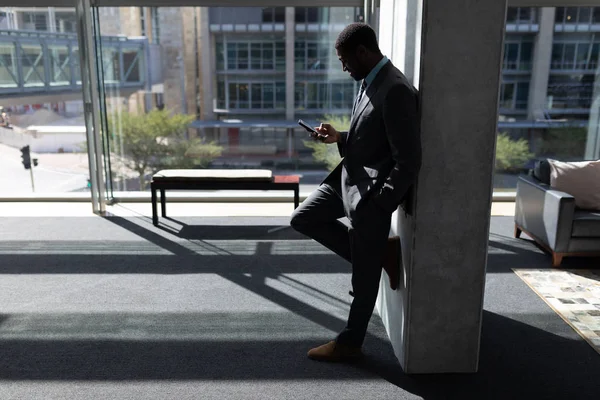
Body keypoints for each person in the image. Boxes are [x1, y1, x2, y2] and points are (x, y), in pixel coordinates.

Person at [290, 23, 422, 362]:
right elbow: (372, 135)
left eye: (344, 60)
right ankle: (381, 253)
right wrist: (340, 138)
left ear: (362, 52)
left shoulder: (395, 89)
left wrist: (381, 204)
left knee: (363, 278)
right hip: (348, 178)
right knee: (303, 218)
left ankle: (350, 342)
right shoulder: (371, 80)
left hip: (371, 194)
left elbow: (408, 160)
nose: (343, 66)